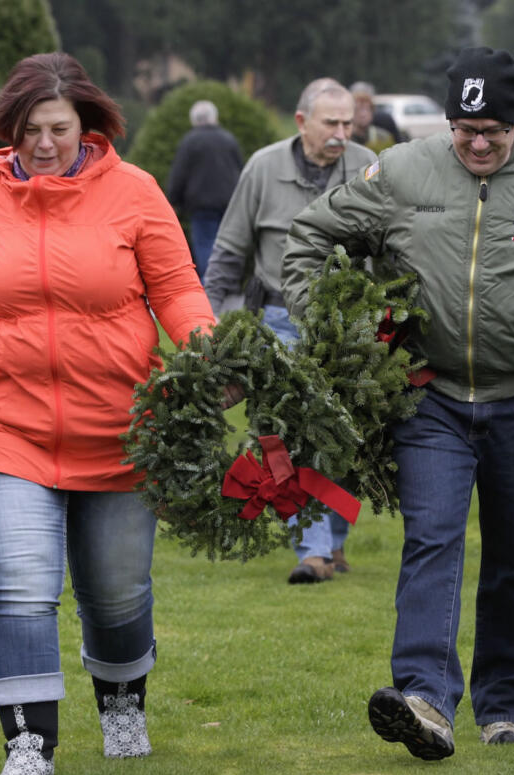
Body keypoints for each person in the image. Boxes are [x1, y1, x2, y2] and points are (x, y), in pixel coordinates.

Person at [281, 46, 514, 756]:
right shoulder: (399, 172)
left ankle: (505, 701)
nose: (480, 142)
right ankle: (424, 696)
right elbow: (309, 238)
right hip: (432, 396)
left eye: (495, 130)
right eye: (465, 129)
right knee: (432, 536)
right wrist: (337, 325)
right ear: (450, 122)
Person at [0, 52, 215, 775]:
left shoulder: (135, 193)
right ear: (8, 131)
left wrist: (210, 355)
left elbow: (177, 291)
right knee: (16, 585)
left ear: (86, 126)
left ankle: (120, 704)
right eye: (26, 130)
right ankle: (28, 744)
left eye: (55, 128)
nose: (41, 143)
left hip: (119, 424)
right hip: (5, 422)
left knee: (115, 593)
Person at [205, 78, 375, 584]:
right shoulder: (262, 167)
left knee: (347, 438)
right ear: (302, 122)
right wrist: (205, 325)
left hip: (350, 327)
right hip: (277, 321)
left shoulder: (369, 167)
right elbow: (230, 253)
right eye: (331, 123)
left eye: (347, 123)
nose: (342, 133)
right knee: (290, 437)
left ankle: (334, 542)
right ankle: (314, 549)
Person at [166, 100, 244, 282]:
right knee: (225, 243)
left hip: (201, 204)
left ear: (194, 120)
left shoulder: (190, 141)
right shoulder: (228, 139)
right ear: (214, 117)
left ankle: (210, 285)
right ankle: (225, 281)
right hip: (228, 202)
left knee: (204, 244)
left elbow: (179, 173)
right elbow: (241, 170)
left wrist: (173, 201)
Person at [350, 81, 396, 154]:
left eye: (367, 109)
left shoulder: (383, 137)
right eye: (358, 110)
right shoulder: (345, 137)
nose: (363, 114)